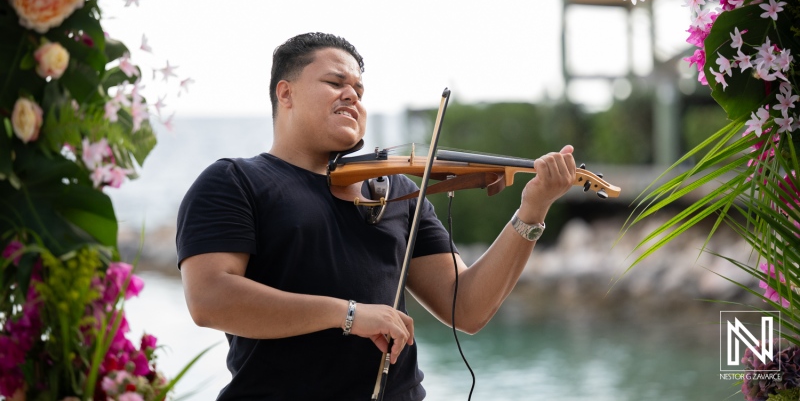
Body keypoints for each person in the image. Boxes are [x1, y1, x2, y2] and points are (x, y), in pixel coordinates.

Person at [177, 32, 577, 400]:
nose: (352, 96)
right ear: (286, 93)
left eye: (359, 90)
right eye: (336, 84)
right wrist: (349, 315)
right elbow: (209, 299)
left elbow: (467, 308)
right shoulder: (235, 181)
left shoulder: (399, 191)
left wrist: (533, 209)